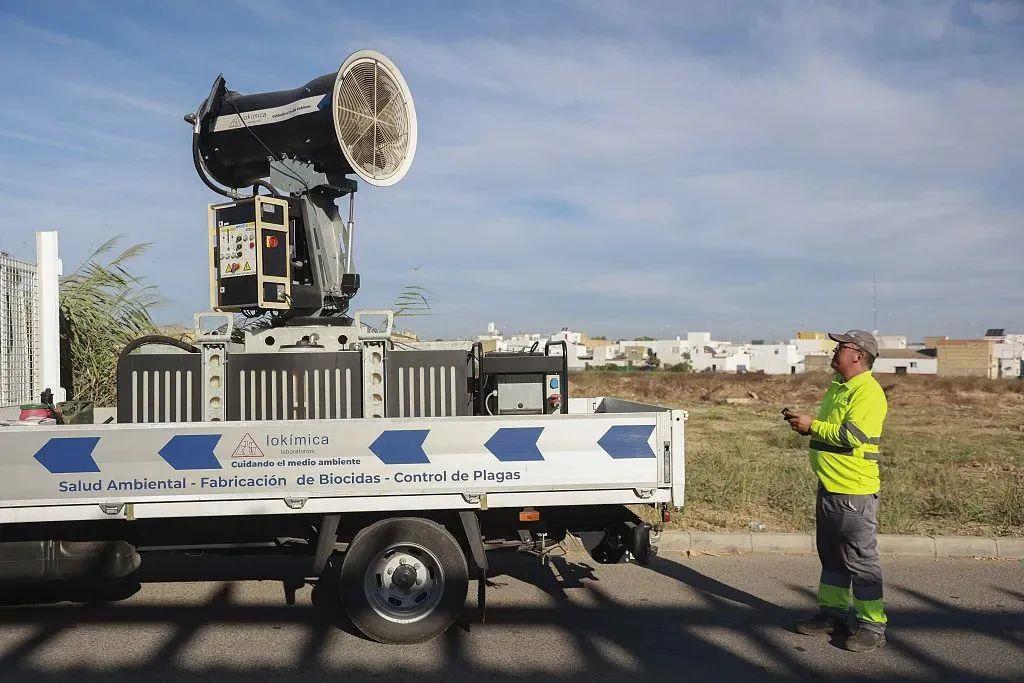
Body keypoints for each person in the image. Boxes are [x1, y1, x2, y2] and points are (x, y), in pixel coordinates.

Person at [782, 329, 888, 653]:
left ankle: (872, 625)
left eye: (841, 347)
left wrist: (811, 425)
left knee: (860, 561)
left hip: (853, 491)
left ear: (858, 355)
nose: (834, 351)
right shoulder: (839, 388)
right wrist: (807, 428)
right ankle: (834, 615)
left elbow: (852, 435)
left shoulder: (867, 392)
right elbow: (832, 435)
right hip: (830, 486)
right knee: (832, 558)